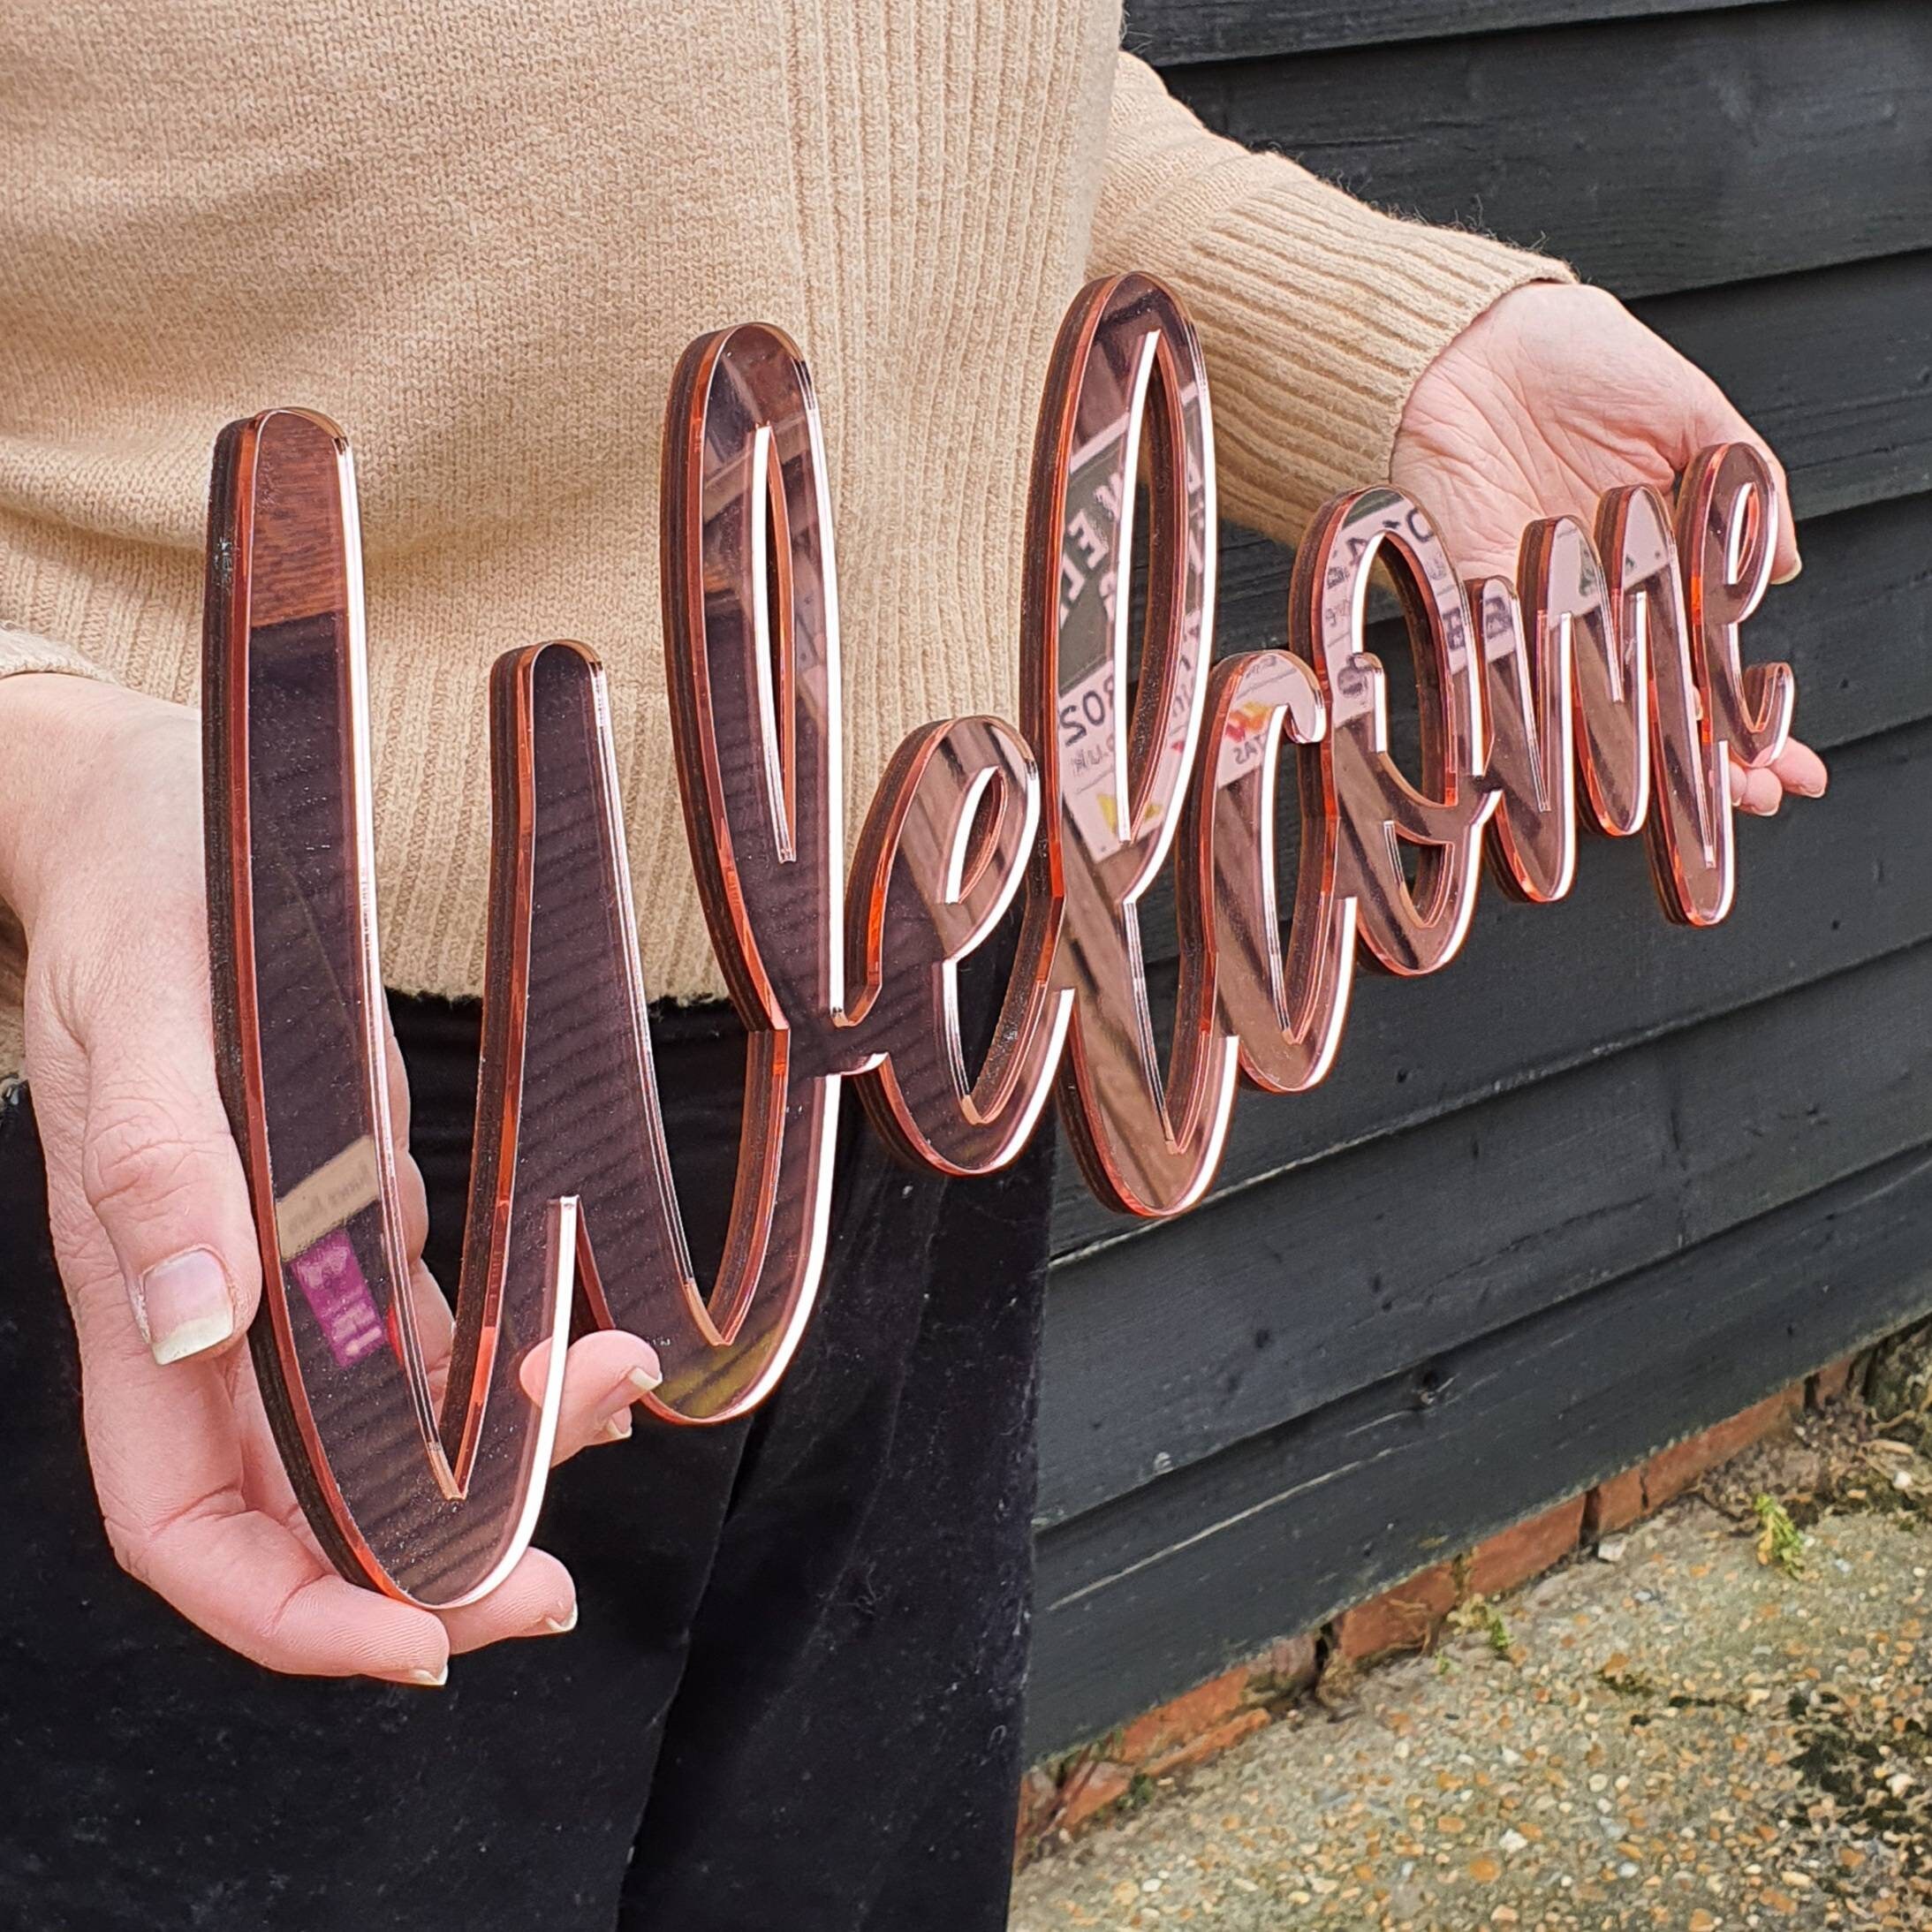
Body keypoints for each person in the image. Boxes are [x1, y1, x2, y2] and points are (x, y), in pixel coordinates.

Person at [0, 5, 1827, 1928]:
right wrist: (40, 757)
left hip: (922, 1004)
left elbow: (845, 87)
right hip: (226, 1071)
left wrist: (1397, 344)